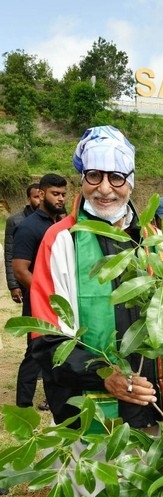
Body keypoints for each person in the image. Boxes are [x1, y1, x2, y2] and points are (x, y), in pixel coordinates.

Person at [29, 126, 163, 497]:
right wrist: (105, 378)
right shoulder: (61, 240)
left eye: (117, 177)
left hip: (147, 403)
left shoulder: (153, 241)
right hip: (86, 404)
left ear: (132, 180)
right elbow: (47, 335)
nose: (106, 188)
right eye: (94, 176)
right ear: (80, 179)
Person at [12, 174, 68, 409]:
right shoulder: (28, 227)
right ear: (42, 194)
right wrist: (44, 295)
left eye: (64, 194)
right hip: (39, 301)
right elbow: (20, 269)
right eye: (55, 194)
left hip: (62, 301)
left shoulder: (62, 224)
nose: (61, 199)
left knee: (60, 352)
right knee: (35, 353)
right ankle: (23, 404)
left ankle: (54, 401)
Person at [3, 183, 41, 304]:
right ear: (28, 199)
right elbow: (9, 253)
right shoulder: (15, 220)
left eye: (41, 196)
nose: (39, 200)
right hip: (25, 278)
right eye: (36, 197)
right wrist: (13, 286)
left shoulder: (52, 218)